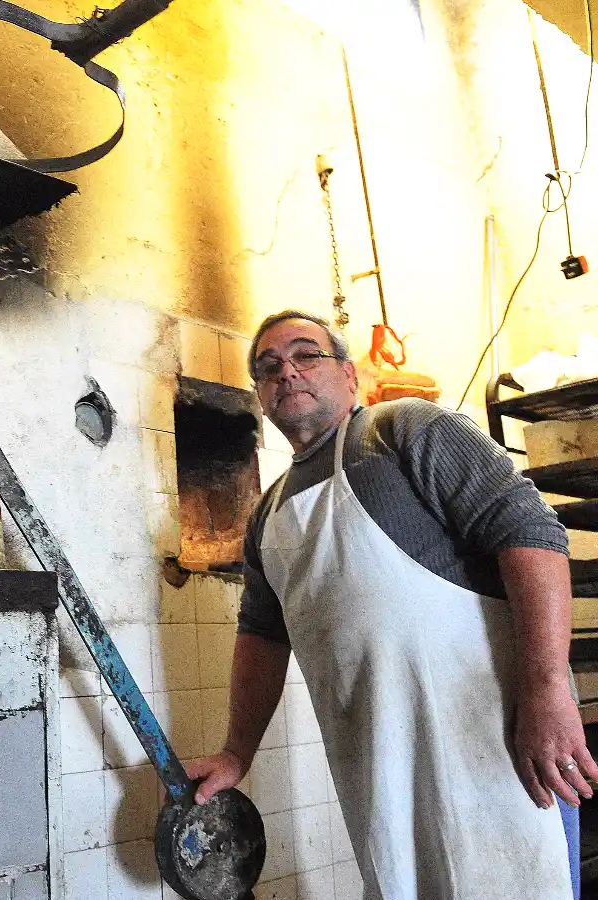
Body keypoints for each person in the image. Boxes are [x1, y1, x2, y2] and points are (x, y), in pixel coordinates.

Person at [186, 310, 593, 900]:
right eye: (268, 366)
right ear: (261, 397)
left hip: (494, 741)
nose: (287, 371)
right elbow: (261, 636)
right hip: (379, 769)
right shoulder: (267, 515)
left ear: (349, 376)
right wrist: (235, 752)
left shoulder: (403, 431)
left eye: (307, 355)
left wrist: (548, 688)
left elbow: (531, 533)